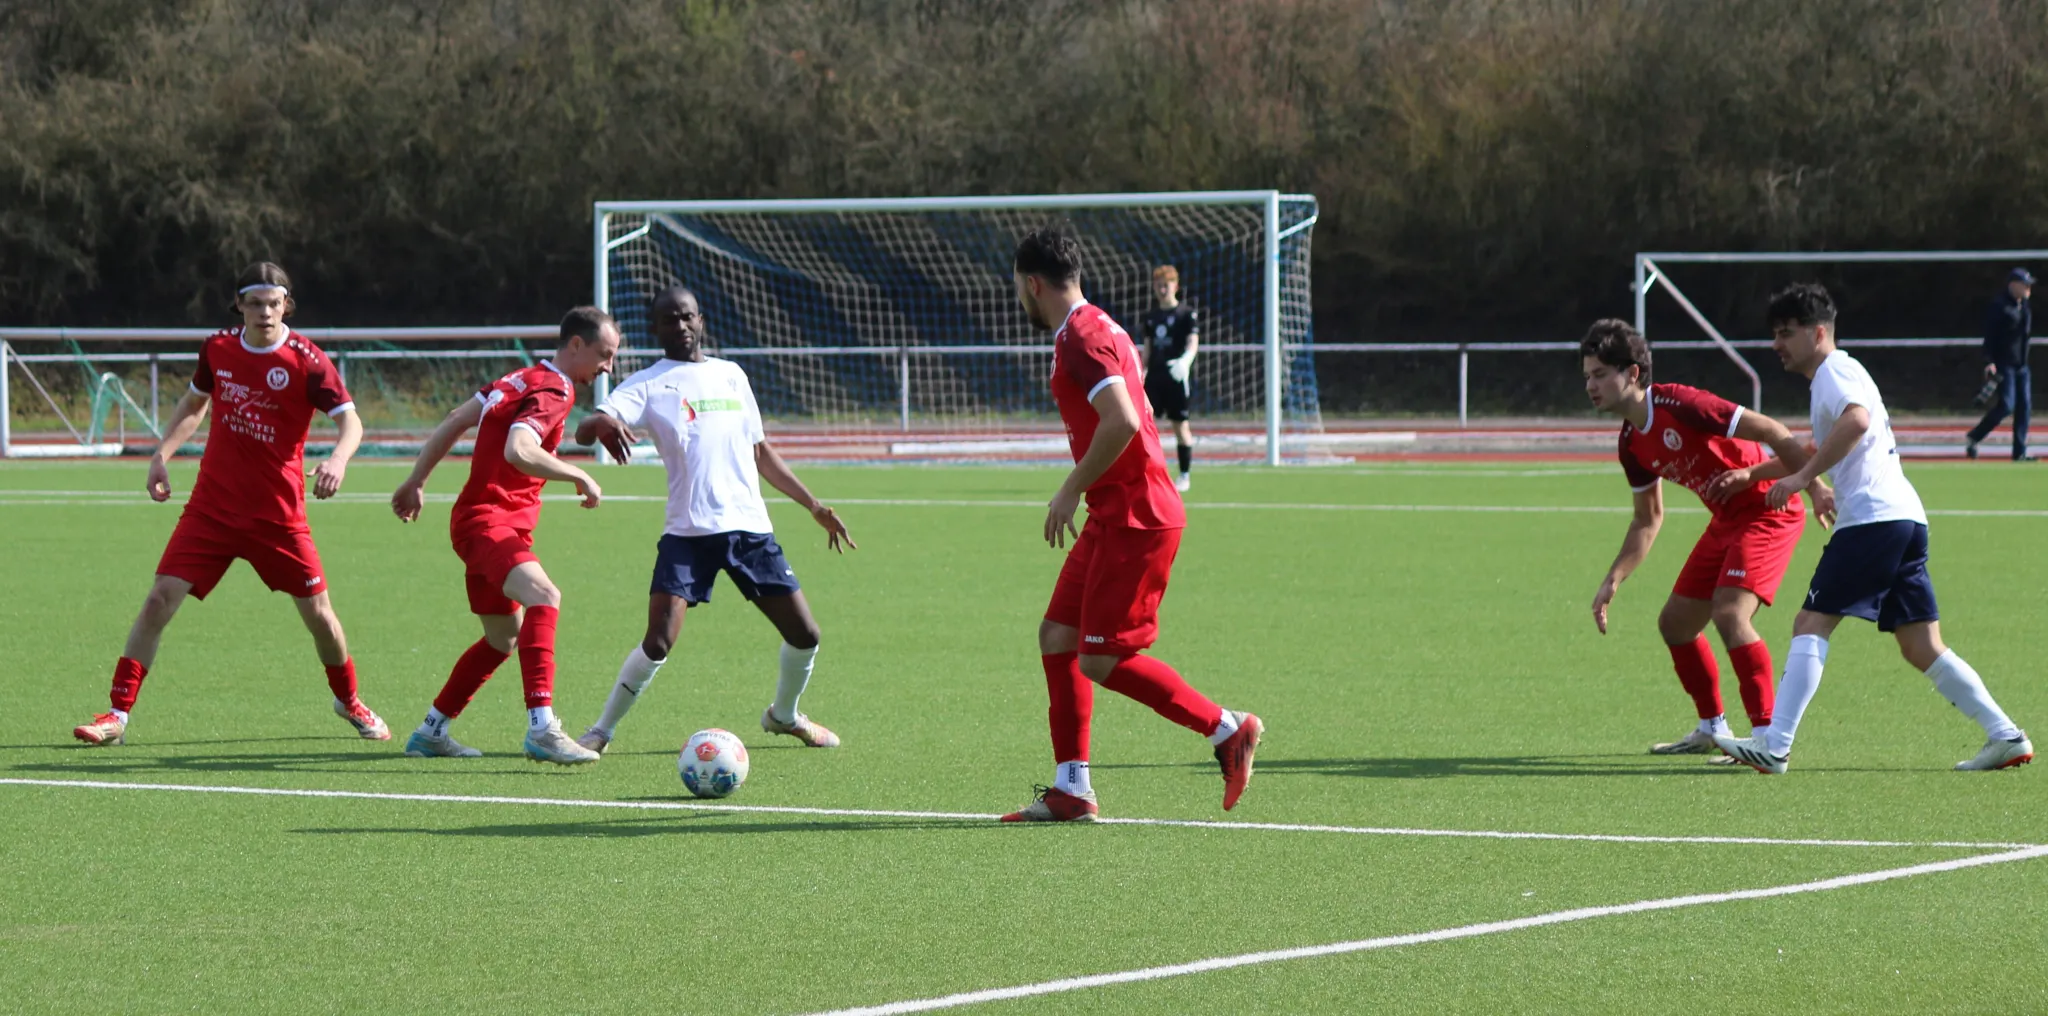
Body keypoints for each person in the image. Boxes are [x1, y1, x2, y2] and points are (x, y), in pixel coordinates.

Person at [1715, 283, 2033, 774]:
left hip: (1872, 520)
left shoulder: (1834, 370)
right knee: (1920, 645)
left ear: (1818, 333)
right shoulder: (1836, 375)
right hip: (1904, 518)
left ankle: (1775, 745)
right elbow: (1825, 440)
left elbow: (1857, 422)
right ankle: (2006, 735)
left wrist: (1803, 479)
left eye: (1786, 333)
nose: (1776, 344)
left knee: (1809, 623)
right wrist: (1757, 474)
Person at [1002, 225, 1261, 823]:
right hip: (1117, 511)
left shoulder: (1080, 337)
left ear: (1032, 284)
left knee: (1100, 658)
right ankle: (1072, 788)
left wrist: (1069, 489)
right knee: (1058, 637)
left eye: (1019, 288)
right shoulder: (1102, 324)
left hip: (1136, 515)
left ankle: (1227, 729)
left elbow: (1119, 419)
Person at [72, 263, 389, 747]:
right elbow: (195, 405)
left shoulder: (307, 360)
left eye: (274, 302)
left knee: (321, 617)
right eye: (255, 302)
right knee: (159, 600)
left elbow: (352, 423)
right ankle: (116, 714)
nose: (265, 311)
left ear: (287, 304)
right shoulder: (217, 348)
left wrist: (339, 459)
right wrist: (161, 455)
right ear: (239, 304)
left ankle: (348, 701)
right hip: (212, 509)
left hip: (278, 517)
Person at [572, 286, 856, 754]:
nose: (679, 326)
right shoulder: (646, 383)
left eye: (686, 317)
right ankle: (601, 731)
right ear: (655, 329)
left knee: (806, 636)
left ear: (700, 320)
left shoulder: (732, 375)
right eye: (668, 320)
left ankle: (784, 716)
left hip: (750, 532)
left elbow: (761, 452)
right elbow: (588, 426)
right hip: (687, 536)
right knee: (659, 641)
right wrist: (599, 424)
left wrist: (814, 506)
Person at [1582, 320, 1824, 761]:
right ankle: (1713, 728)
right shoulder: (1630, 441)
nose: (1590, 386)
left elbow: (1771, 430)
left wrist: (1814, 486)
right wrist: (1613, 579)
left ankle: (1768, 739)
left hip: (1769, 509)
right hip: (1727, 519)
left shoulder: (1682, 403)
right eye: (1587, 377)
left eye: (1600, 375)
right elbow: (1647, 519)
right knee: (1674, 624)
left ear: (1633, 374)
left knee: (1730, 614)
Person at [389, 307, 619, 764]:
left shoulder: (521, 377)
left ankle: (431, 731)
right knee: (545, 595)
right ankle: (542, 728)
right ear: (576, 345)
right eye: (604, 354)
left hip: (477, 521)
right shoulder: (556, 388)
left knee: (502, 638)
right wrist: (578, 474)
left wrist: (416, 480)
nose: (607, 367)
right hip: (490, 521)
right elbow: (519, 449)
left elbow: (456, 418)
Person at [1138, 265, 1200, 492]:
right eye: (1159, 285)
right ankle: (1148, 473)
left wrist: (1185, 362)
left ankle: (1184, 475)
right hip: (1154, 378)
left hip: (1176, 377)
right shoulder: (1151, 317)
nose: (1162, 289)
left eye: (1167, 285)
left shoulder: (1186, 314)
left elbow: (1193, 343)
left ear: (1175, 286)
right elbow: (1147, 349)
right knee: (1144, 427)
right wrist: (1140, 372)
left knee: (1180, 427)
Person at [1964, 267, 2034, 461]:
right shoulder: (2000, 306)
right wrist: (1989, 361)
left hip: (2022, 365)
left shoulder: (2024, 307)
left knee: (2025, 407)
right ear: (2013, 285)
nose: (2028, 288)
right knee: (2007, 406)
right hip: (2005, 364)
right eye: (2024, 284)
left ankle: (2019, 452)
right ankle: (1975, 436)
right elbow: (1990, 336)